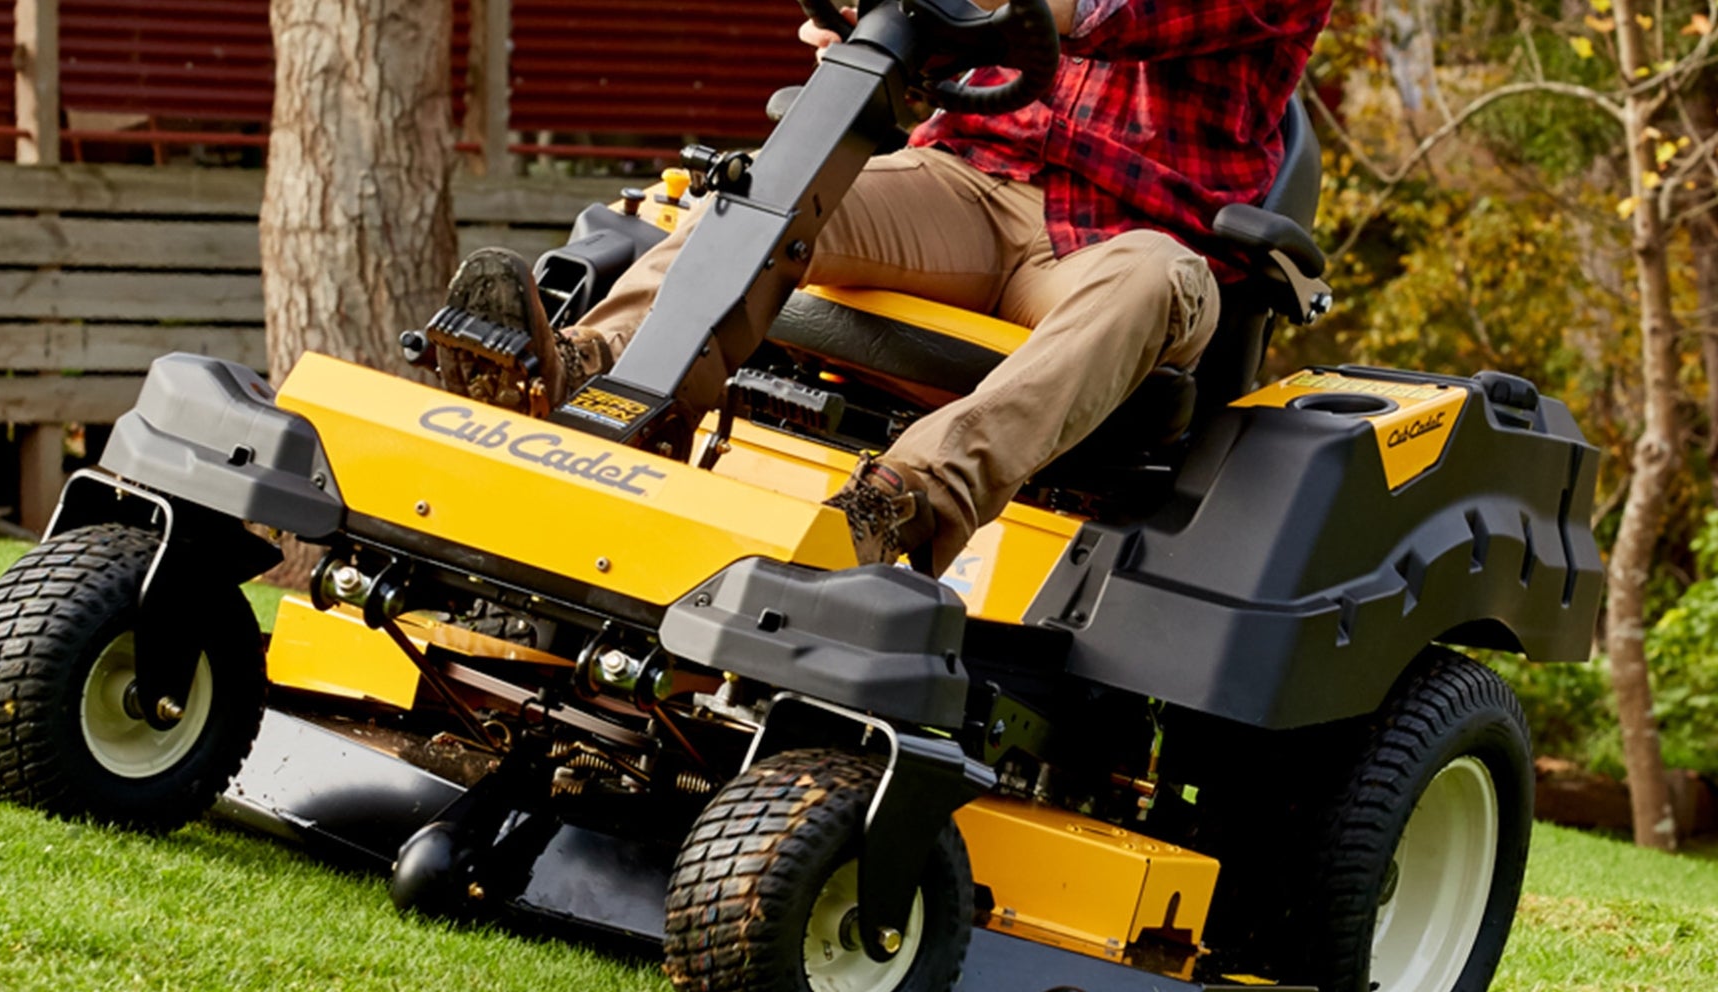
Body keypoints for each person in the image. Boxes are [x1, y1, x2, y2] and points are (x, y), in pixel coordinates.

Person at [437, 0, 1332, 574]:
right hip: (966, 186)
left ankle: (899, 504)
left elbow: (1107, 12)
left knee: (1160, 278)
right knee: (778, 180)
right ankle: (590, 368)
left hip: (1125, 239)